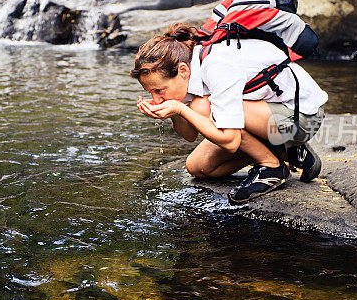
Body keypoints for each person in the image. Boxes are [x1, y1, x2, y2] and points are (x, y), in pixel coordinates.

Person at [131, 22, 328, 203]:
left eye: (159, 90)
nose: (156, 98)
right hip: (269, 116)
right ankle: (288, 151)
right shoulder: (190, 68)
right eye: (150, 92)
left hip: (303, 118)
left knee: (202, 108)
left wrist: (180, 108)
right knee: (198, 166)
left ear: (182, 71)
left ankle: (271, 166)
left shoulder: (216, 65)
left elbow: (231, 141)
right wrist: (172, 110)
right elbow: (190, 135)